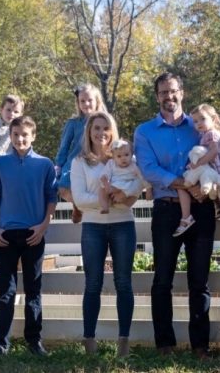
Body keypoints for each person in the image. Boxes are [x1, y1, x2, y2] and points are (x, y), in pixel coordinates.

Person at [134, 72, 215, 358]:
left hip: (203, 209)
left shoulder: (200, 125)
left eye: (173, 91)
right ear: (157, 97)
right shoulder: (144, 132)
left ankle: (200, 346)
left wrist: (205, 189)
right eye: (163, 93)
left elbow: (218, 152)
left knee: (199, 280)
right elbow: (148, 169)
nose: (169, 97)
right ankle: (165, 344)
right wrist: (185, 184)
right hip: (167, 210)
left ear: (182, 92)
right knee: (162, 279)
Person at [70, 113, 143, 357]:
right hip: (93, 227)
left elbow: (136, 190)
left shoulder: (124, 158)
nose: (101, 133)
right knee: (93, 284)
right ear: (89, 132)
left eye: (106, 128)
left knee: (124, 283)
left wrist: (123, 198)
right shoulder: (80, 162)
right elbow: (79, 200)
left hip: (123, 226)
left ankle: (124, 341)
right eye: (96, 128)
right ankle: (89, 340)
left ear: (112, 131)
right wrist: (115, 199)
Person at [0, 116, 58, 356]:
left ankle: (34, 341)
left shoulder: (44, 164)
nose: (20, 139)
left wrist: (43, 226)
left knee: (33, 289)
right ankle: (1, 343)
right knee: (6, 291)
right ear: (11, 136)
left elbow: (52, 198)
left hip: (33, 233)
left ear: (33, 136)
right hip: (6, 234)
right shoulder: (1, 164)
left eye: (24, 135)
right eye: (16, 134)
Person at [173, 103, 220, 237]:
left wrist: (198, 164)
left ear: (213, 119)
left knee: (211, 182)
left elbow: (213, 152)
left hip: (213, 163)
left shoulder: (211, 133)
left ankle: (218, 206)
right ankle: (219, 208)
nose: (199, 123)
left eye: (203, 119)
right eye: (195, 121)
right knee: (212, 185)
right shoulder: (208, 133)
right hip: (212, 164)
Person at [55, 84, 107, 223]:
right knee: (63, 186)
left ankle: (91, 209)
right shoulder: (73, 123)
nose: (86, 104)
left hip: (96, 159)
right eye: (82, 101)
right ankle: (78, 206)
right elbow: (64, 146)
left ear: (97, 101)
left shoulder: (104, 121)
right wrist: (59, 165)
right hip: (74, 161)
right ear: (78, 103)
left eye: (90, 100)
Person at [98, 139, 146, 215]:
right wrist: (105, 180)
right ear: (113, 157)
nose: (123, 158)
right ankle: (105, 206)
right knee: (102, 190)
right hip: (114, 184)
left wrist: (148, 188)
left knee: (107, 189)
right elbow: (106, 173)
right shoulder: (111, 163)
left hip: (126, 185)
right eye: (119, 156)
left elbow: (142, 177)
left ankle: (111, 200)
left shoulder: (134, 164)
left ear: (132, 154)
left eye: (126, 155)